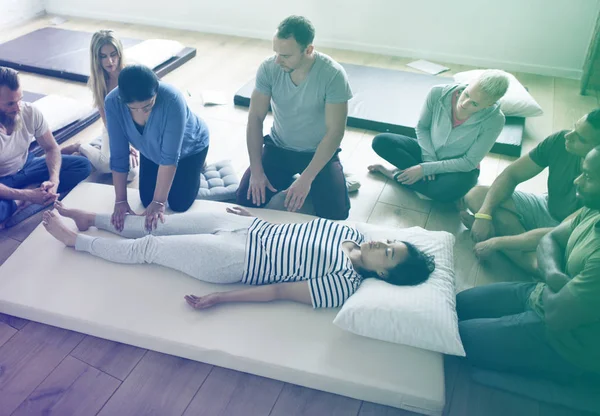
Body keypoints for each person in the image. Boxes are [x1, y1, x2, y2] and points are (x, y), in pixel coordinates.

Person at [43, 201, 435, 309]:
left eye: (388, 255)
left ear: (383, 275)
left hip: (235, 260)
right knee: (156, 222)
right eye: (389, 243)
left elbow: (279, 291)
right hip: (248, 227)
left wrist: (221, 298)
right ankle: (91, 217)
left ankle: (76, 241)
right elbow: (291, 230)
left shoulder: (343, 286)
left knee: (150, 247)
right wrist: (255, 216)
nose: (381, 245)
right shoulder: (350, 231)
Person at [456, 146, 600, 383]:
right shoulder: (593, 207)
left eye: (588, 177)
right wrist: (555, 276)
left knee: (459, 337)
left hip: (564, 342)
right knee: (461, 304)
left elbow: (555, 316)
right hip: (543, 292)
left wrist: (549, 274)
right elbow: (549, 239)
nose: (577, 181)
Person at [236, 15, 353, 220]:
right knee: (245, 200)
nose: (278, 60)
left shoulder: (333, 74)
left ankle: (334, 178)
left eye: (286, 55)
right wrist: (256, 170)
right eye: (276, 52)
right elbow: (255, 117)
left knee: (337, 214)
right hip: (279, 148)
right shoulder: (269, 67)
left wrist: (307, 179)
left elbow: (335, 132)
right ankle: (293, 179)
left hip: (317, 153)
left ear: (308, 50)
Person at [460, 110, 600, 276]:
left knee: (543, 264)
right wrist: (484, 215)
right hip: (546, 206)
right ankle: (524, 253)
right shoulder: (560, 141)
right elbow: (512, 174)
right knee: (476, 196)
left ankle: (521, 254)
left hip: (567, 232)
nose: (568, 136)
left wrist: (496, 243)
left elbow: (560, 232)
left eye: (581, 139)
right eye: (574, 128)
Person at [368, 70, 510, 202]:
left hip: (458, 168)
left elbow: (469, 162)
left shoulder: (495, 120)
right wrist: (429, 161)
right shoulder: (438, 93)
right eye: (466, 94)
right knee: (381, 141)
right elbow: (422, 127)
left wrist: (424, 169)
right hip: (428, 152)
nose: (464, 104)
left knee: (449, 190)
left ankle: (393, 175)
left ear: (489, 104)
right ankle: (420, 181)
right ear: (469, 84)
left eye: (474, 103)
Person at [106, 65, 210, 232]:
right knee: (147, 200)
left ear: (156, 92)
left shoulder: (172, 99)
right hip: (150, 149)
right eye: (133, 108)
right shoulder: (112, 102)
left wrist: (159, 202)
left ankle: (199, 167)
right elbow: (119, 155)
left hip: (190, 148)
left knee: (179, 203)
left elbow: (170, 157)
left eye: (147, 107)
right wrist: (120, 200)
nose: (142, 113)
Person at [0, 67, 91, 227]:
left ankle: (33, 190)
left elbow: (51, 148)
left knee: (82, 166)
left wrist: (54, 180)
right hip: (3, 179)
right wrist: (27, 195)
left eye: (20, 99)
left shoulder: (30, 112)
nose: (18, 108)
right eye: (10, 104)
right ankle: (22, 198)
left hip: (27, 166)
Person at [61, 30, 139, 181]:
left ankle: (93, 150)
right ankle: (80, 146)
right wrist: (123, 146)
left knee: (131, 174)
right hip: (114, 129)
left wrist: (132, 143)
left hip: (135, 129)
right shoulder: (98, 82)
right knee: (107, 166)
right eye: (103, 56)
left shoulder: (131, 74)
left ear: (120, 53)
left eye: (113, 54)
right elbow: (107, 121)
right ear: (96, 58)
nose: (110, 61)